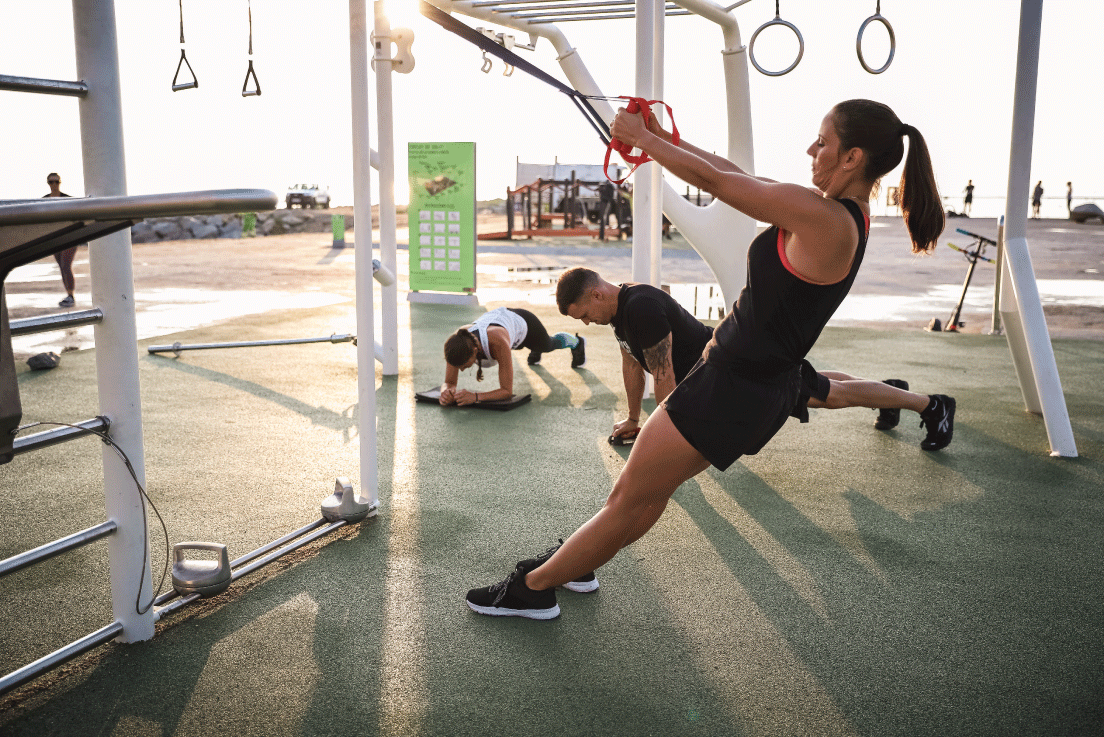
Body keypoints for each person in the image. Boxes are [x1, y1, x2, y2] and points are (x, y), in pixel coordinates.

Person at [465, 99, 945, 619]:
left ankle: (533, 589)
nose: (811, 150)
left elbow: (720, 185)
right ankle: (575, 562)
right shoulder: (830, 213)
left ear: (852, 158)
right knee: (644, 493)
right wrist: (656, 137)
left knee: (633, 495)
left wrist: (645, 142)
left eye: (823, 142)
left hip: (733, 386)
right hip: (746, 380)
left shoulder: (827, 220)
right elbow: (733, 175)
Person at [556, 267, 955, 450]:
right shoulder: (620, 314)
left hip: (744, 371)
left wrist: (659, 437)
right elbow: (632, 364)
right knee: (818, 383)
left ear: (596, 294)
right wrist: (632, 418)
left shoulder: (640, 306)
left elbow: (665, 375)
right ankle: (893, 393)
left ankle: (930, 405)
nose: (588, 323)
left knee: (827, 395)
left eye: (585, 314)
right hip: (734, 368)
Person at [440, 306, 585, 406]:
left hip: (526, 325)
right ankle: (535, 349)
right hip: (503, 324)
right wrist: (446, 392)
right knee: (536, 347)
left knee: (548, 345)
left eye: (465, 366)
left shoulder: (498, 343)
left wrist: (475, 397)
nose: (462, 370)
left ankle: (576, 342)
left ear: (475, 351)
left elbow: (506, 392)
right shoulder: (457, 343)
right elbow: (449, 383)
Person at [42, 173, 80, 307]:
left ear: (60, 183)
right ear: (48, 184)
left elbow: (78, 214)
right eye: (51, 182)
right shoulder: (43, 200)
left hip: (69, 237)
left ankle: (71, 296)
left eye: (56, 182)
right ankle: (68, 295)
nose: (54, 185)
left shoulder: (67, 199)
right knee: (61, 267)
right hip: (55, 238)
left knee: (66, 265)